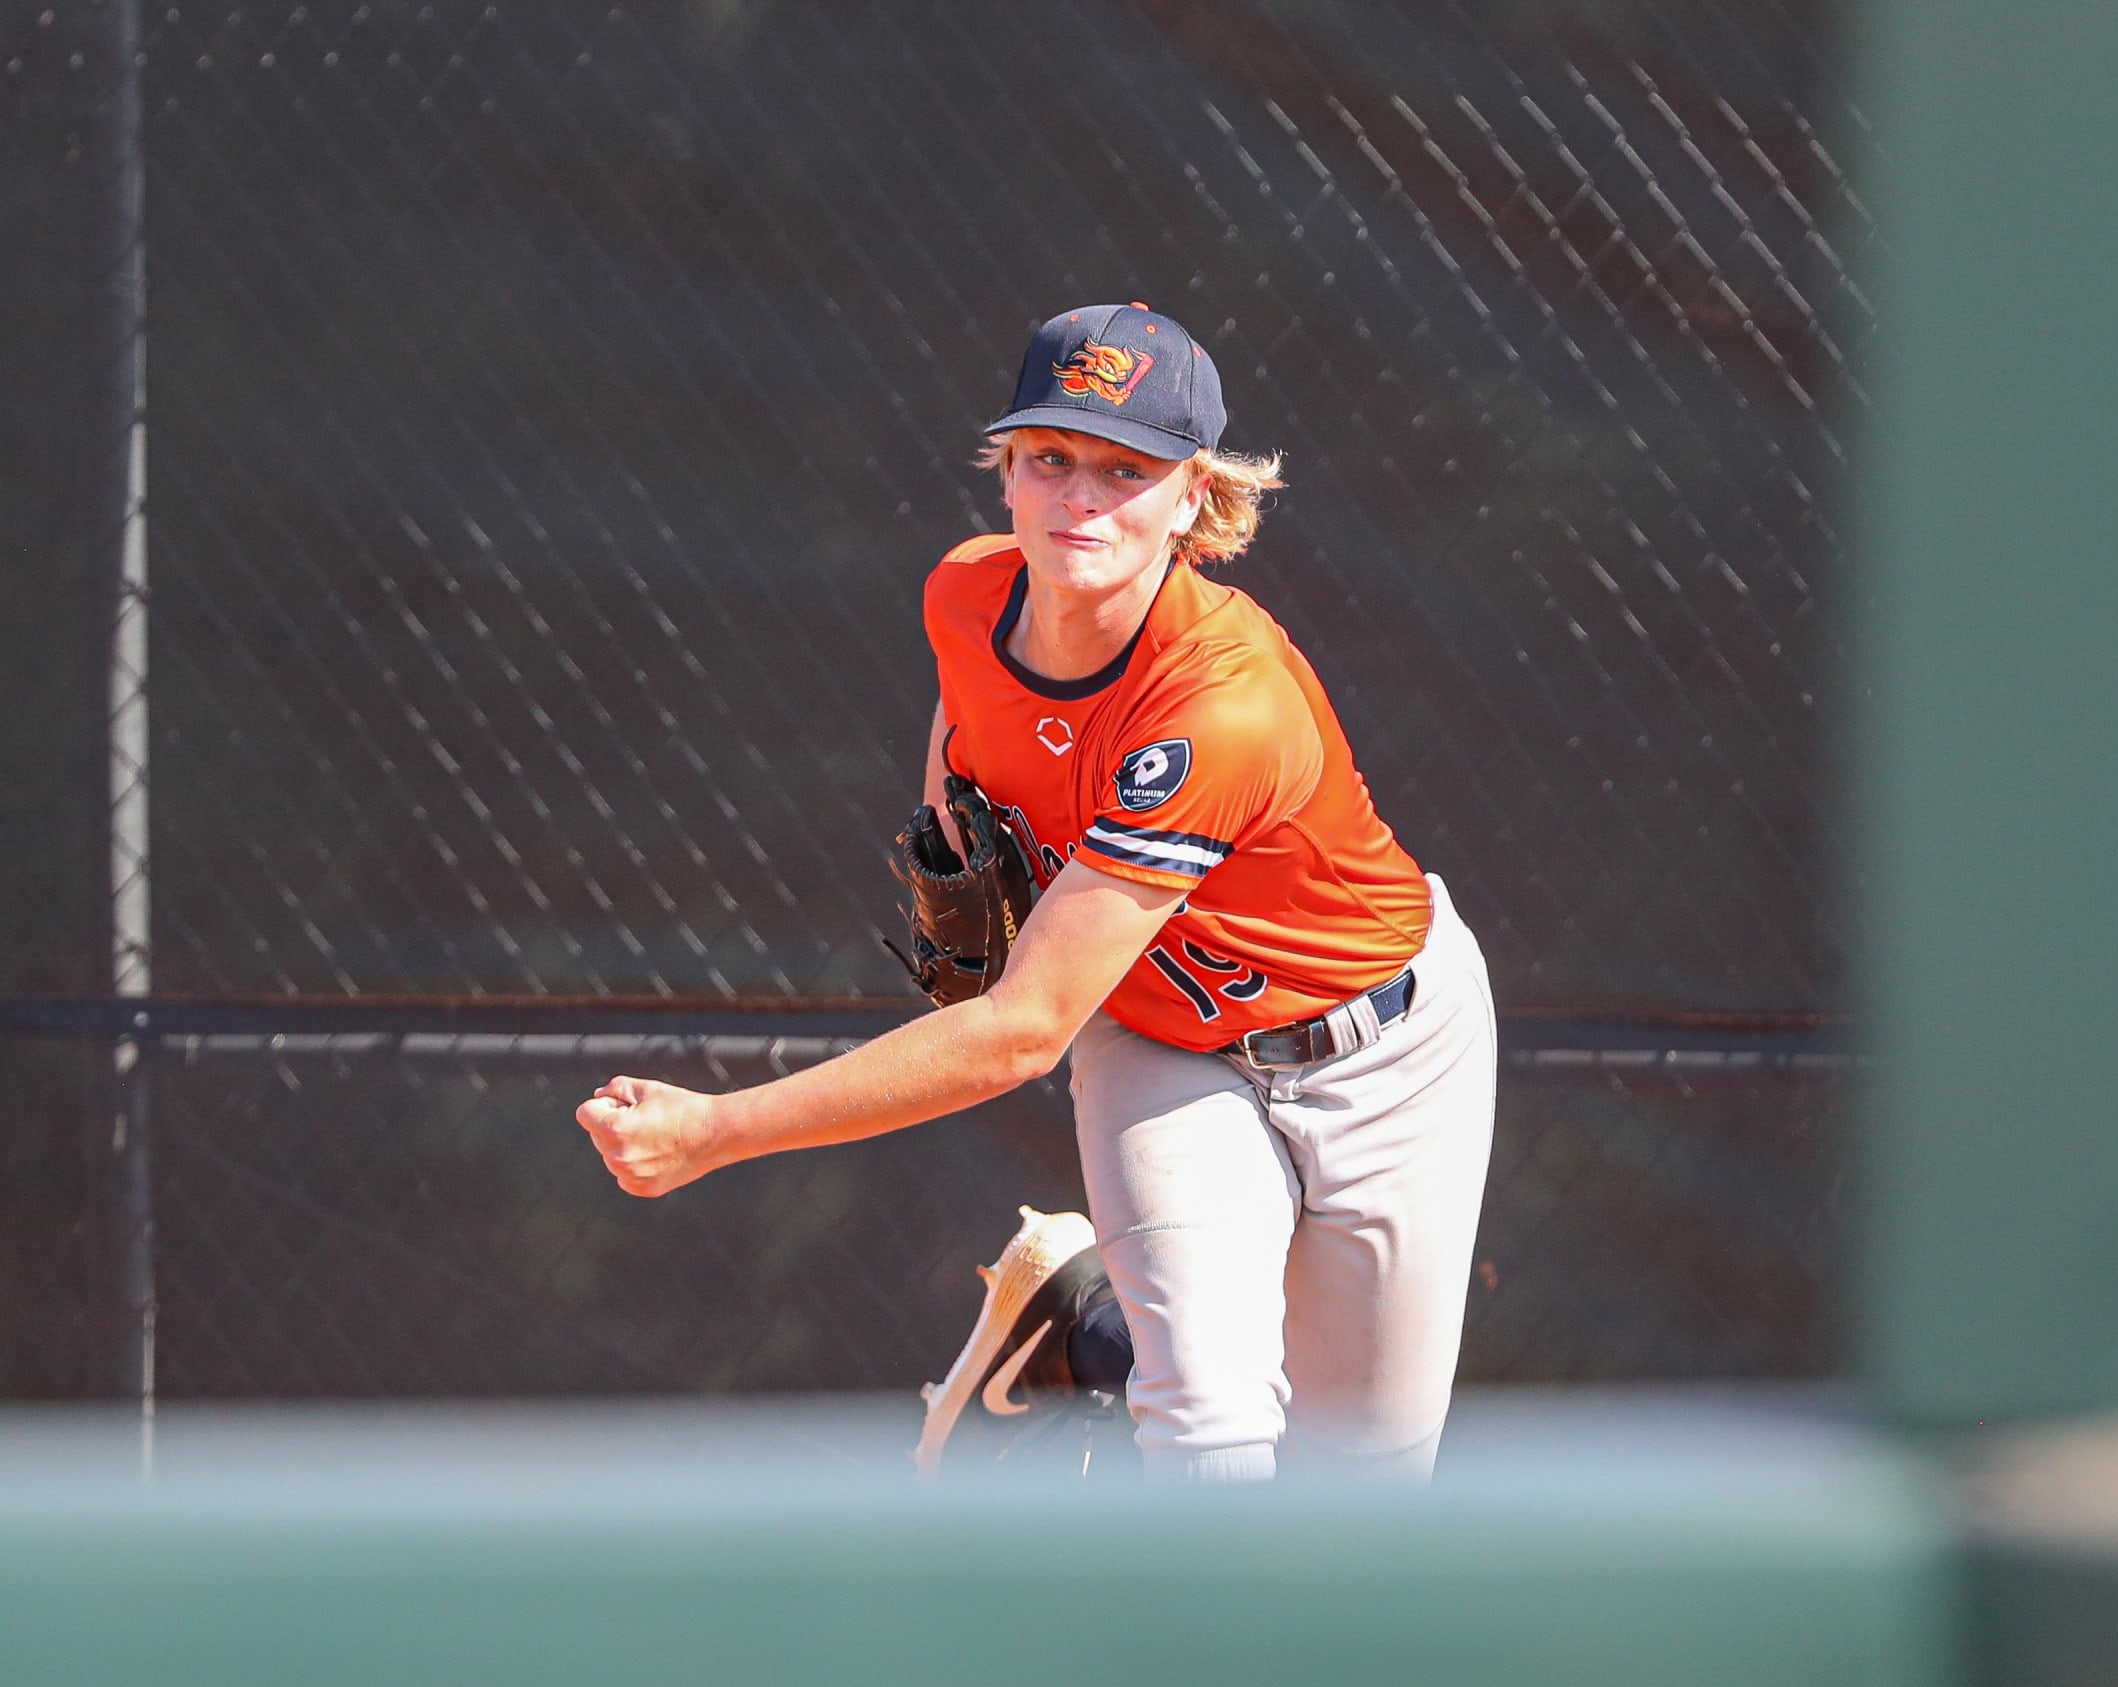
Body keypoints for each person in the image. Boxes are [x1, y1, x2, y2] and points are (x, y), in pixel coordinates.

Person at [576, 303, 1498, 1483]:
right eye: (1051, 457)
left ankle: (1086, 1331)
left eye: (1127, 468)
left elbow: (1018, 1031)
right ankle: (1122, 1371)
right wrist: (952, 830)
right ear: (1006, 472)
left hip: (1386, 1060)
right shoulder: (967, 591)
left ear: (1195, 499)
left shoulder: (1222, 703)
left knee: (1361, 1499)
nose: (1082, 497)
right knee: (1212, 1445)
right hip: (1166, 1046)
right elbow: (972, 695)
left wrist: (715, 1129)